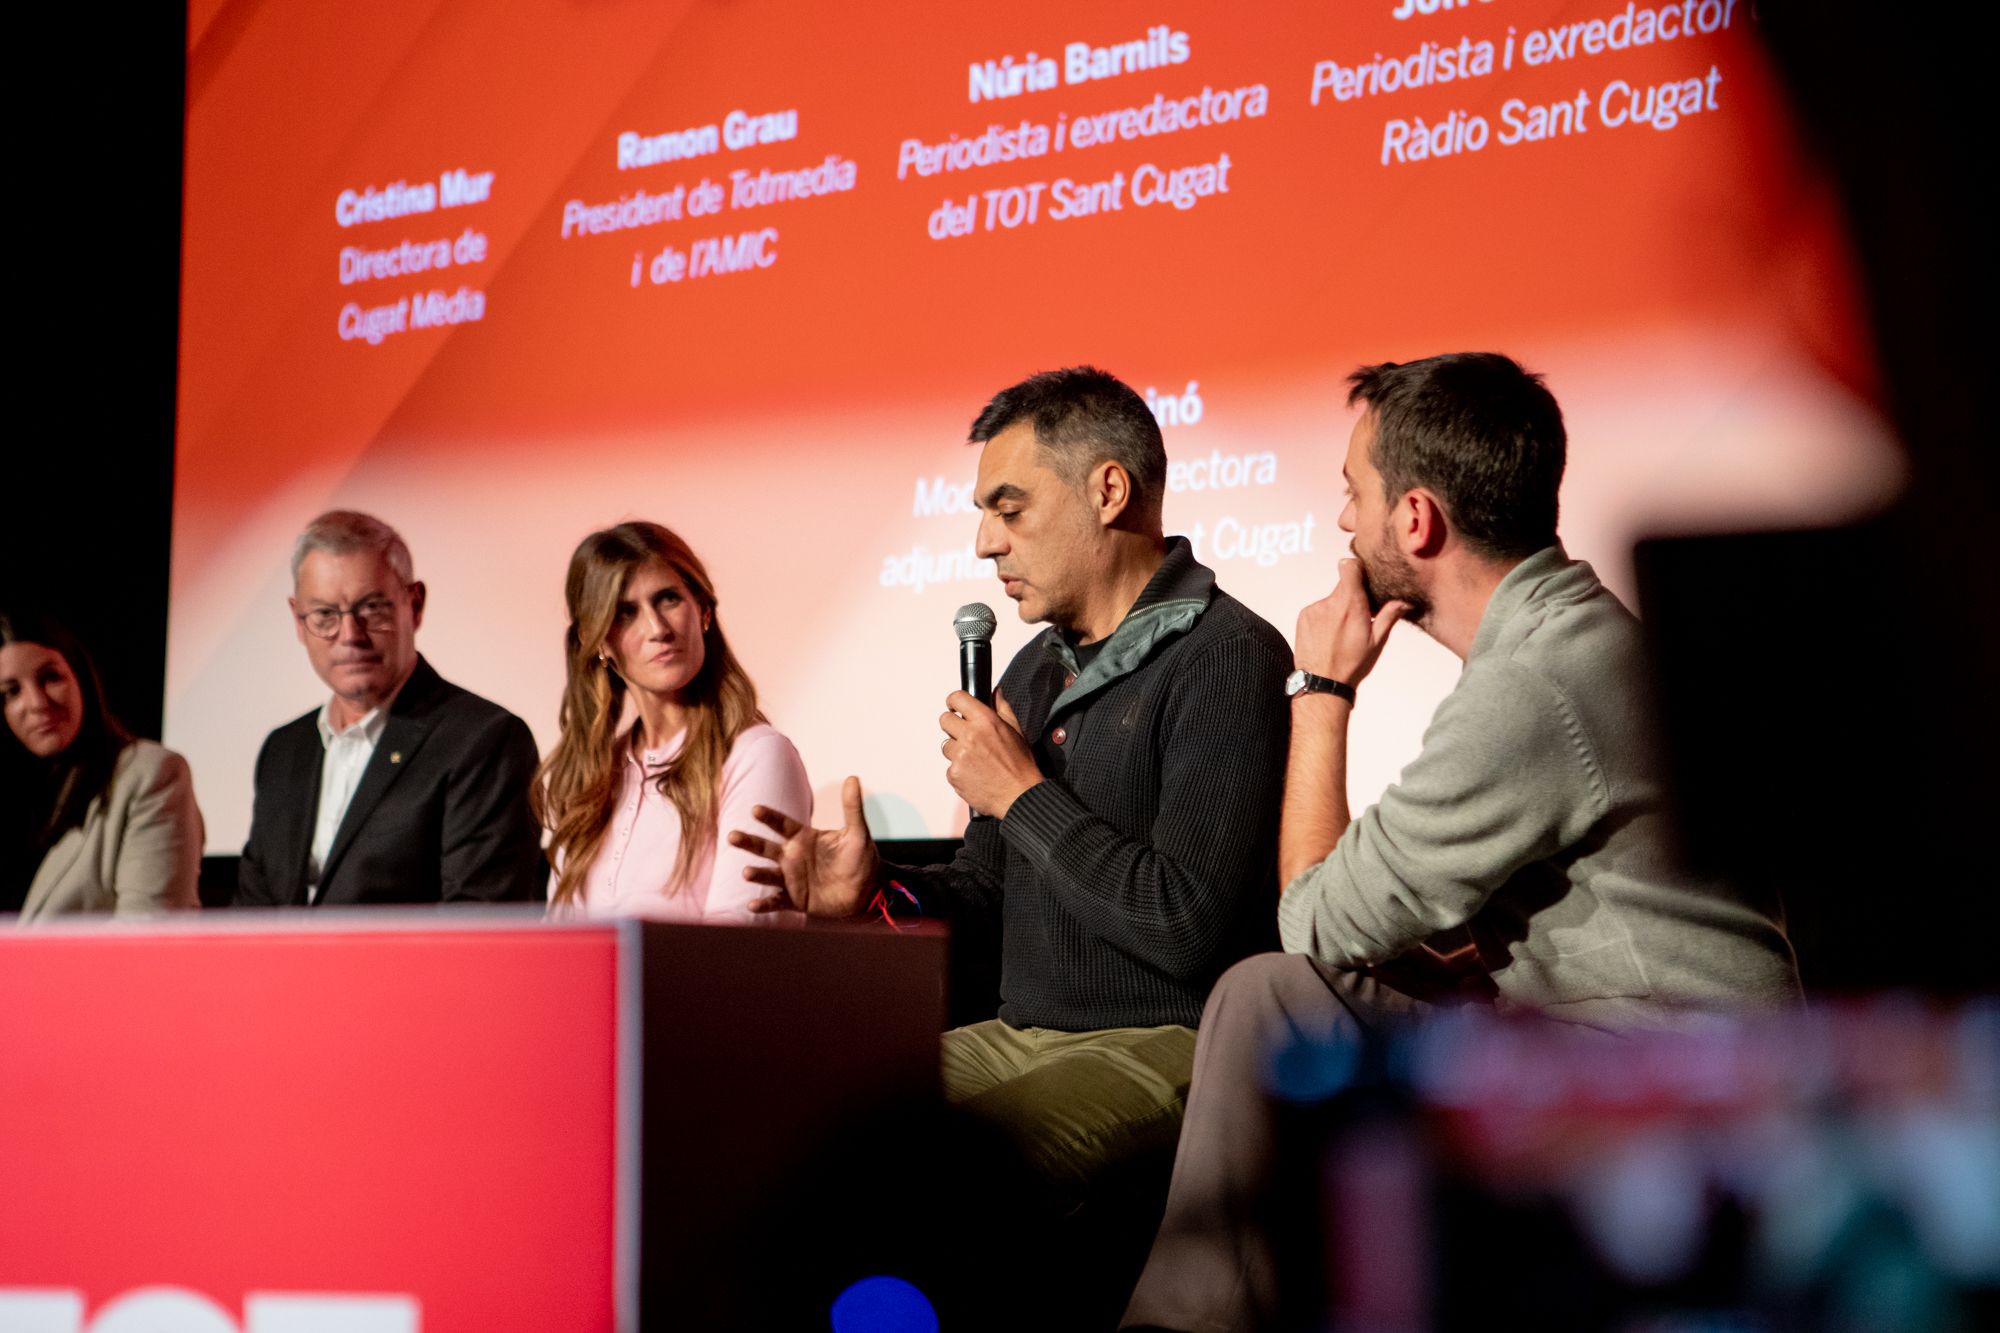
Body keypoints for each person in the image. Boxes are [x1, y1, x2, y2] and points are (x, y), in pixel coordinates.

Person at [1121, 353, 1803, 1332]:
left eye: (1350, 495)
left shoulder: (1531, 686)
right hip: (1607, 1041)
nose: (1340, 525)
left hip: (1667, 1083)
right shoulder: (1567, 642)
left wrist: (1319, 693)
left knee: (1270, 994)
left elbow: (1310, 922)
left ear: (1414, 520)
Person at [731, 367, 1293, 1319]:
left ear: (1108, 492)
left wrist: (1024, 792)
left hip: (1163, 1039)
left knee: (937, 1177)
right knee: (780, 1117)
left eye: (1010, 508)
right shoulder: (1036, 670)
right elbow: (987, 890)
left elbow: (1187, 925)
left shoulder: (1228, 654)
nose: (985, 541)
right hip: (1017, 1031)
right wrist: (878, 894)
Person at [235, 510, 543, 907]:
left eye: (371, 609)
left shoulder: (484, 741)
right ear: (298, 621)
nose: (350, 636)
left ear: (414, 605)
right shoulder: (283, 751)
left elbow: (474, 927)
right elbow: (252, 917)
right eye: (325, 615)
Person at [533, 521, 809, 920]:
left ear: (705, 611)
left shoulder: (758, 755)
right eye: (625, 613)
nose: (657, 629)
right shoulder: (590, 779)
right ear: (599, 645)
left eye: (668, 599)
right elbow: (559, 948)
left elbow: (743, 953)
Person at [2, 610, 203, 919]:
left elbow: (147, 942)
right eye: (11, 692)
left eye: (50, 677)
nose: (37, 704)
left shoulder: (150, 774)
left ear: (80, 676)